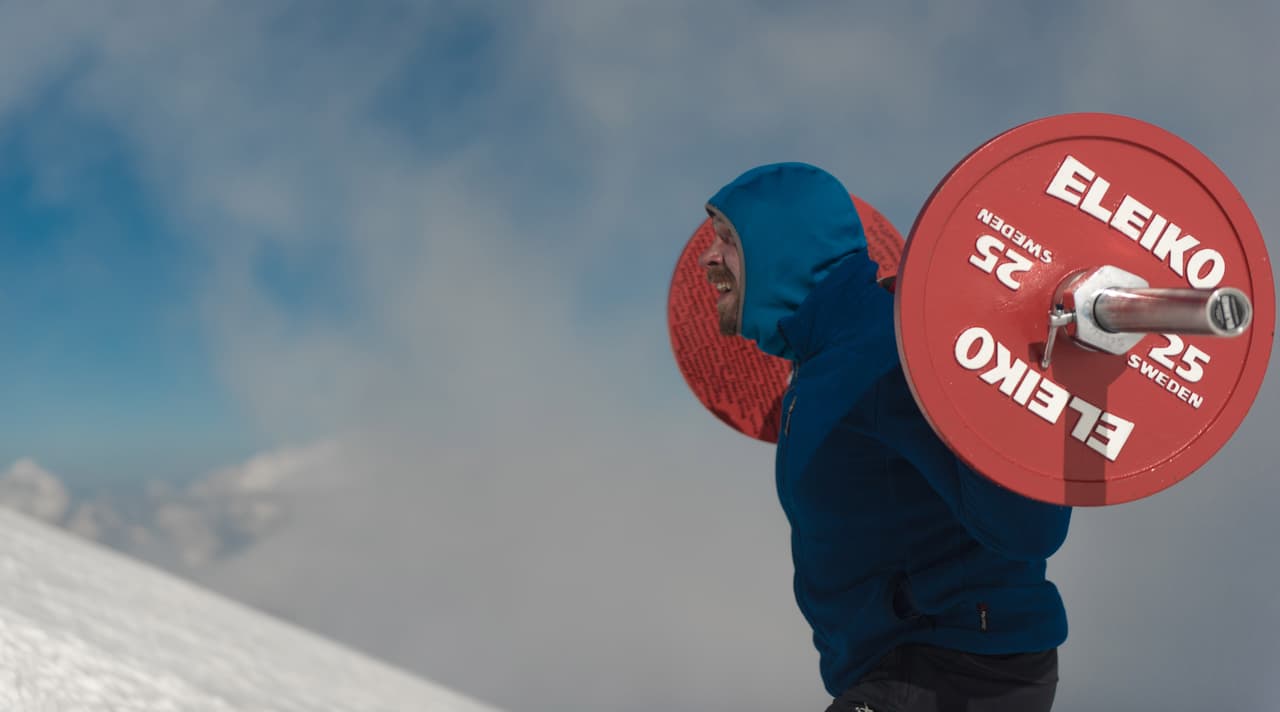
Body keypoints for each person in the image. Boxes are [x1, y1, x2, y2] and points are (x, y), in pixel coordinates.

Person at [698, 163, 1073, 712]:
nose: (708, 258)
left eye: (727, 240)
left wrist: (1028, 387)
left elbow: (1029, 526)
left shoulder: (887, 348)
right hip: (909, 665)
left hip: (958, 666)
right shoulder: (827, 357)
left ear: (781, 242)